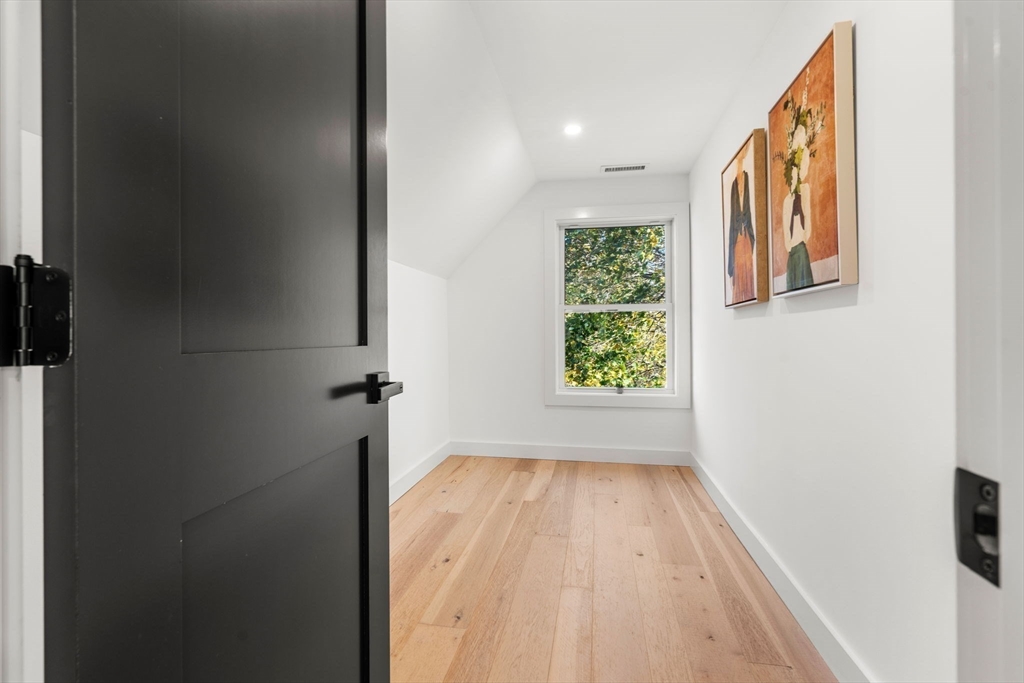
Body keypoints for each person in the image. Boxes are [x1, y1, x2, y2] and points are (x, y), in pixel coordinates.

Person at [781, 125, 814, 290]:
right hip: (792, 252)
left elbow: (808, 216)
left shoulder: (805, 191)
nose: (794, 179)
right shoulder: (787, 201)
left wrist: (804, 238)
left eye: (796, 174)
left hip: (801, 247)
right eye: (791, 176)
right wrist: (789, 247)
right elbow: (785, 228)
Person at [727, 142, 756, 303]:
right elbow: (733, 216)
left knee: (748, 268)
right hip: (738, 236)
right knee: (740, 267)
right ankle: (740, 295)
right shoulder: (734, 186)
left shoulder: (747, 178)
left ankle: (748, 294)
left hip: (746, 235)